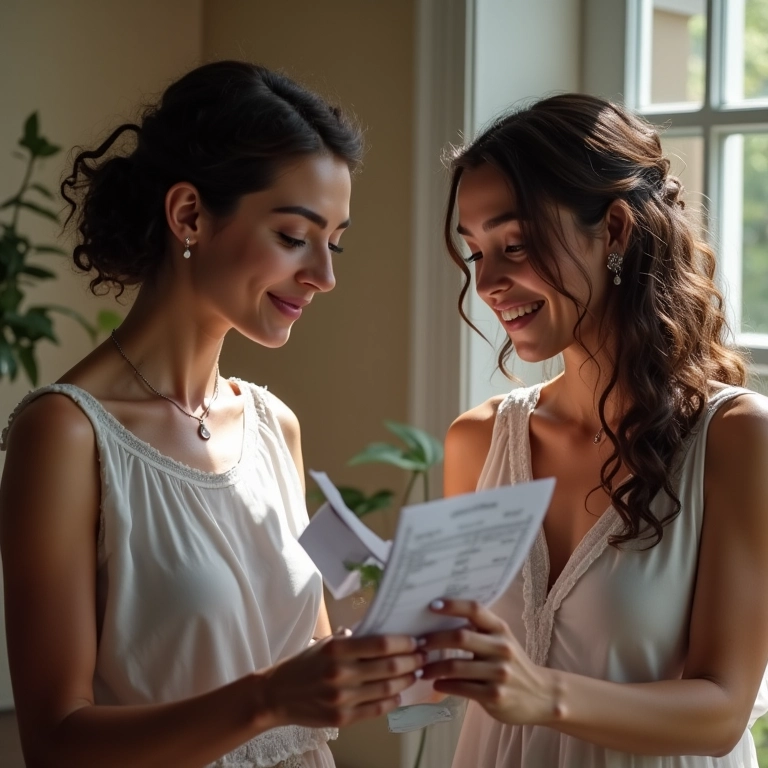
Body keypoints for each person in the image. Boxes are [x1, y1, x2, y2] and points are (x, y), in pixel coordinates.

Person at [0, 60, 425, 768]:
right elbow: (55, 744)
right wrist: (268, 699)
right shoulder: (65, 435)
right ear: (189, 216)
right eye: (294, 236)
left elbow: (310, 655)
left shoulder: (274, 426)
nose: (324, 276)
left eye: (334, 243)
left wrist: (386, 653)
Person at [418, 93, 768, 767]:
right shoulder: (477, 443)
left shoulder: (733, 437)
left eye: (514, 244)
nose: (488, 282)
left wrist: (540, 693)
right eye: (476, 252)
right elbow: (453, 669)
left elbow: (723, 711)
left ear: (613, 229)